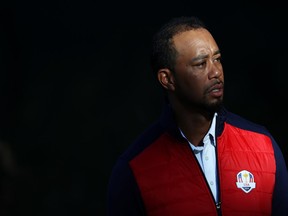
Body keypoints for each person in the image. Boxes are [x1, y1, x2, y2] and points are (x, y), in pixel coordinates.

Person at [107, 16, 288, 216]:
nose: (216, 72)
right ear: (167, 79)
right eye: (201, 64)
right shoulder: (134, 169)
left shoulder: (263, 145)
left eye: (217, 59)